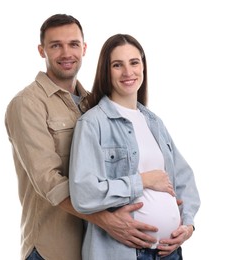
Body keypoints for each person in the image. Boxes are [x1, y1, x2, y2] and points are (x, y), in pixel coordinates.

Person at [5, 15, 160, 260]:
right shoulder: (27, 104)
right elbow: (48, 181)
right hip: (53, 248)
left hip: (99, 246)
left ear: (84, 48)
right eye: (56, 45)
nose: (66, 53)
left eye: (73, 44)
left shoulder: (93, 103)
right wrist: (108, 220)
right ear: (41, 50)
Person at [69, 33, 201, 260]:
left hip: (168, 252)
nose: (128, 72)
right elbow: (83, 193)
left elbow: (184, 179)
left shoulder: (153, 122)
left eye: (134, 62)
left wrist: (187, 226)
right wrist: (144, 181)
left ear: (143, 67)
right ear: (106, 71)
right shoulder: (92, 123)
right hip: (122, 252)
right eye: (117, 65)